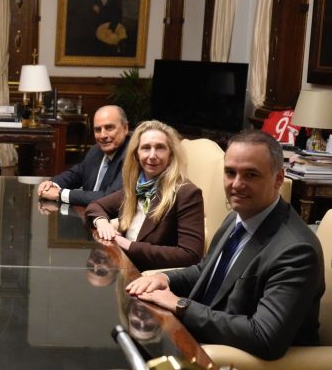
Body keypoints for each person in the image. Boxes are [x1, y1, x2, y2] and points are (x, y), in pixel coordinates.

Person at [126, 130, 324, 360]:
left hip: (232, 358)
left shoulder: (297, 251)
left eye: (251, 175)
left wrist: (180, 305)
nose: (237, 184)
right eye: (230, 173)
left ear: (278, 178)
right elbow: (205, 271)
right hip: (199, 337)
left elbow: (265, 337)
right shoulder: (237, 217)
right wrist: (164, 279)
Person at [85, 120, 205, 271]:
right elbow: (96, 206)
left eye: (160, 148)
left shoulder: (187, 193)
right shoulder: (137, 186)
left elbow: (190, 255)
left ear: (171, 154)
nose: (152, 155)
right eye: (146, 148)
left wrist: (127, 245)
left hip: (150, 276)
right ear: (136, 154)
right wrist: (102, 222)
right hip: (124, 267)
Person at [38, 105, 130, 206]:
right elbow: (76, 174)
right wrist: (52, 184)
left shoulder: (131, 157)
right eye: (98, 130)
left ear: (125, 128)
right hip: (86, 212)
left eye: (109, 128)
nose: (103, 135)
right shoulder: (95, 150)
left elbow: (110, 197)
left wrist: (61, 194)